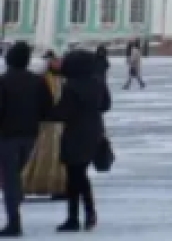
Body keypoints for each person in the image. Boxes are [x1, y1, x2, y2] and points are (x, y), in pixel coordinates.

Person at [53, 50, 110, 233]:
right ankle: (88, 212)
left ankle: (74, 217)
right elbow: (106, 105)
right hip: (95, 131)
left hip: (75, 133)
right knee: (81, 175)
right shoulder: (98, 83)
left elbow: (63, 112)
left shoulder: (71, 86)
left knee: (74, 177)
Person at [0, 41, 53, 237]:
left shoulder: (3, 81)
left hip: (7, 136)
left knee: (10, 178)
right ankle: (14, 212)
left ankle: (14, 221)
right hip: (30, 135)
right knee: (15, 175)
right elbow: (48, 108)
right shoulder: (37, 81)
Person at [20, 57, 64, 200]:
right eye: (56, 60)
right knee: (40, 156)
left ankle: (58, 187)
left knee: (58, 159)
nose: (59, 63)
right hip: (45, 125)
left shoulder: (63, 78)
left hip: (58, 125)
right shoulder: (42, 79)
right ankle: (26, 186)